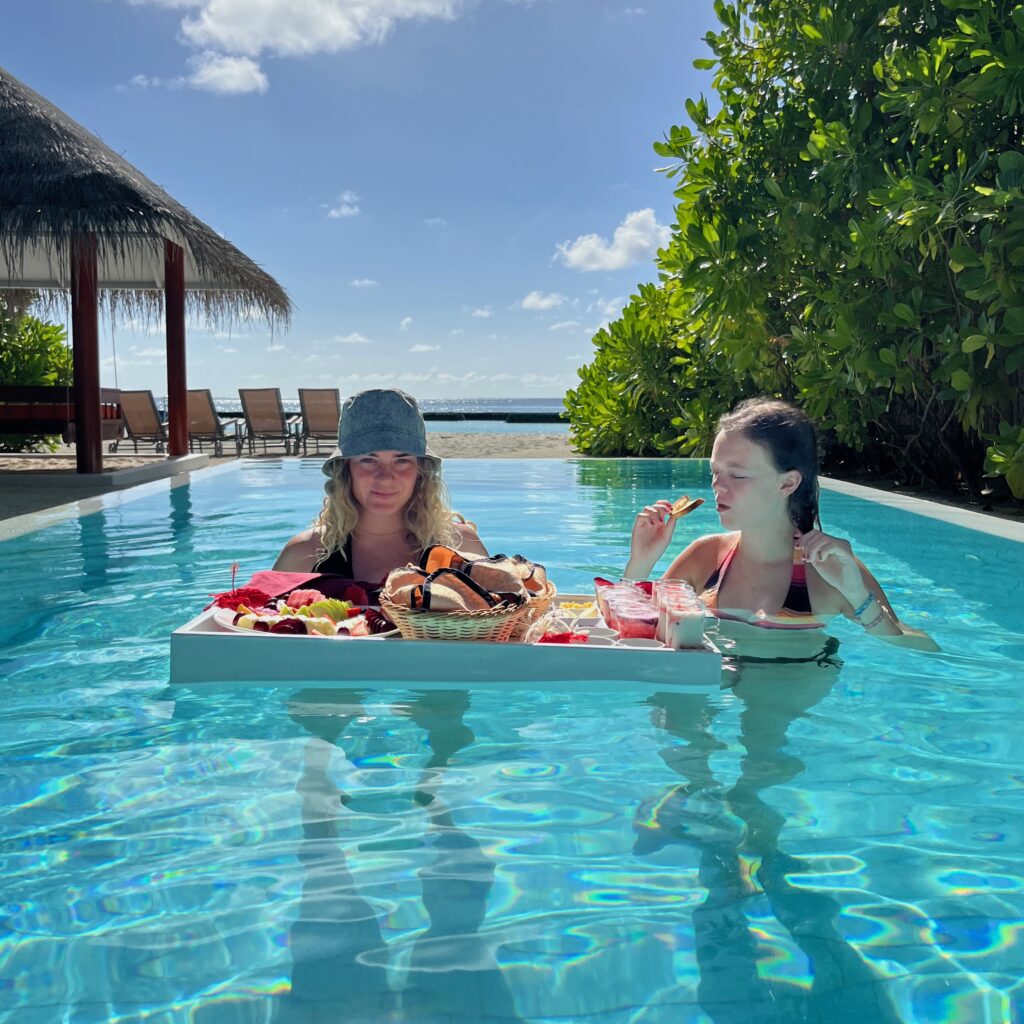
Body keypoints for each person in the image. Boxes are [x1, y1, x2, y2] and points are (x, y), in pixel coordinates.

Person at [624, 398, 938, 651]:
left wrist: (857, 596)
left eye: (738, 475)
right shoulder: (706, 557)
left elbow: (921, 647)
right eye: (714, 471)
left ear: (787, 483)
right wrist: (640, 563)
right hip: (715, 704)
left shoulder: (827, 570)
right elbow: (630, 631)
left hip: (793, 704)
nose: (718, 486)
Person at [274, 387, 487, 584]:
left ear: (420, 471)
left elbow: (507, 620)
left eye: (402, 461)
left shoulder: (461, 547)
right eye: (368, 460)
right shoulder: (304, 555)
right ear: (346, 470)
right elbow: (257, 620)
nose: (385, 478)